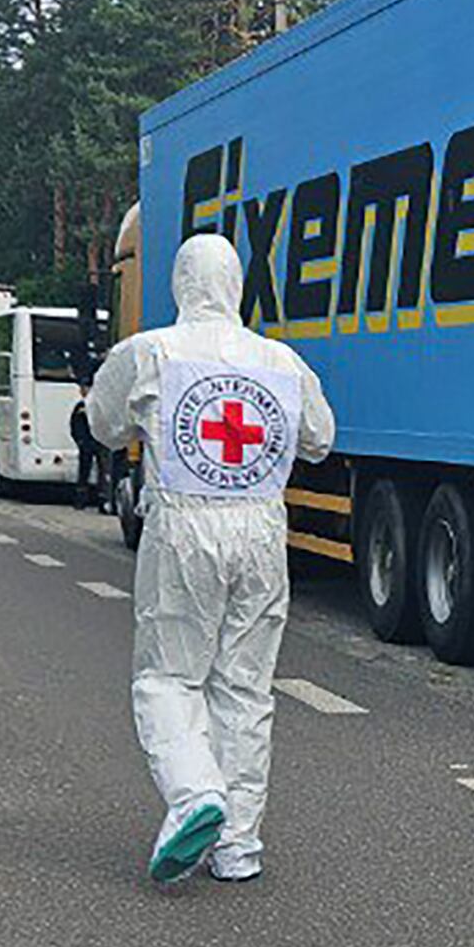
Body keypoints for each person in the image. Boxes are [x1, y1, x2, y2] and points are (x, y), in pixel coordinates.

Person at [82, 232, 335, 884]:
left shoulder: (149, 352)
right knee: (244, 688)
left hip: (184, 526)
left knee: (169, 677)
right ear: (235, 286)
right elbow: (320, 438)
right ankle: (238, 847)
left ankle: (195, 794)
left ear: (179, 284)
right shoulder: (280, 359)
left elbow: (102, 424)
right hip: (261, 530)